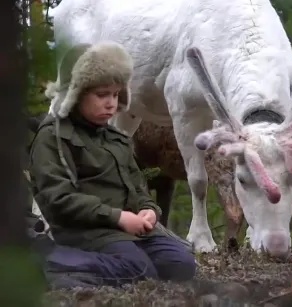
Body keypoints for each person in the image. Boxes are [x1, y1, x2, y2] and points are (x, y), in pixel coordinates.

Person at [28, 41, 197, 289]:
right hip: (85, 232)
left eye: (116, 94)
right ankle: (50, 261)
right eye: (102, 95)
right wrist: (117, 218)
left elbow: (138, 188)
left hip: (129, 230)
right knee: (139, 270)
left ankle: (97, 270)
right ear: (76, 93)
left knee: (181, 264)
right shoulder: (53, 137)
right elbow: (58, 198)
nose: (111, 103)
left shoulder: (116, 139)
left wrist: (148, 209)